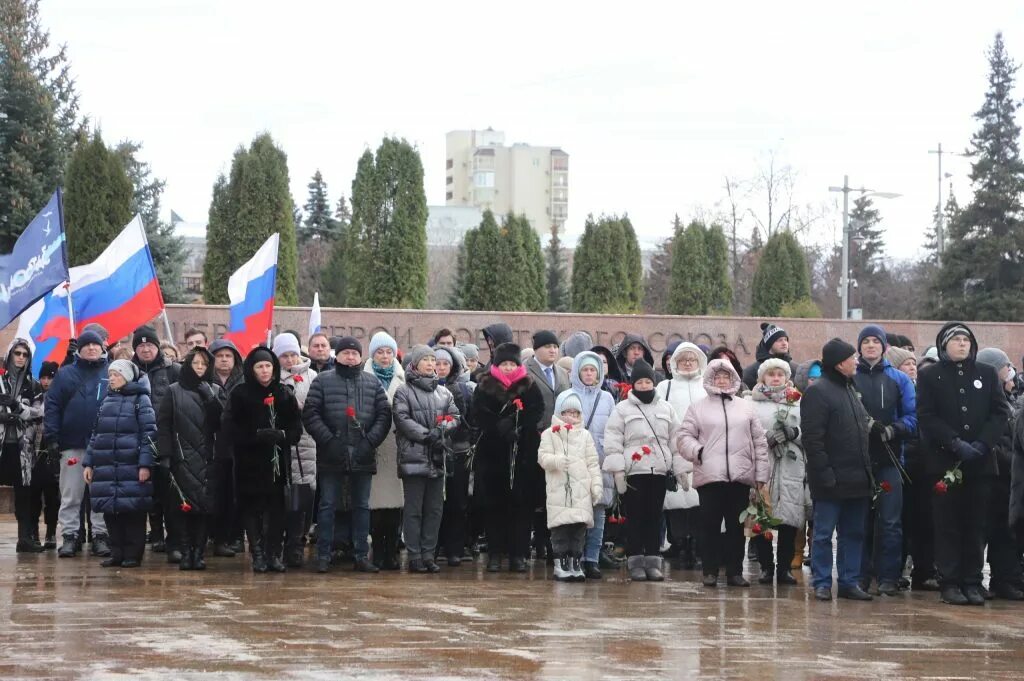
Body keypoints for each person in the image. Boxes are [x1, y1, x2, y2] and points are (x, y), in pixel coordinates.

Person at [918, 323, 1010, 606]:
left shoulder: (986, 374)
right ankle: (950, 582)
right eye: (956, 340)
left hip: (980, 463)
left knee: (976, 524)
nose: (962, 344)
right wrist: (954, 442)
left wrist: (983, 444)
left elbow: (1000, 412)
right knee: (948, 524)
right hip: (945, 462)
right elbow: (926, 415)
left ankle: (972, 581)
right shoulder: (930, 375)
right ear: (944, 345)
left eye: (966, 339)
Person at [303, 336, 392, 574]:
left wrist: (369, 442)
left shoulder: (372, 383)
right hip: (331, 454)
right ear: (338, 355)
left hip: (363, 455)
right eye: (346, 353)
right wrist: (329, 441)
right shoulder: (322, 381)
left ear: (361, 357)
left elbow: (384, 416)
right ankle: (323, 555)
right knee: (327, 504)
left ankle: (361, 555)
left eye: (354, 353)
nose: (350, 357)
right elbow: (311, 414)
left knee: (361, 506)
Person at [679, 359, 769, 587]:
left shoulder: (746, 407)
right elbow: (683, 437)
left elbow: (759, 442)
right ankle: (709, 571)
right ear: (710, 379)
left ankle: (734, 572)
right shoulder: (697, 408)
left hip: (740, 477)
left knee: (736, 527)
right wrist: (698, 452)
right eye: (717, 376)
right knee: (709, 526)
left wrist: (761, 475)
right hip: (710, 476)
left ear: (733, 379)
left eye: (725, 376)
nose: (721, 380)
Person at [801, 338, 874, 602]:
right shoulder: (818, 392)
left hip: (857, 478)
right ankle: (821, 582)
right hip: (830, 479)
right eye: (852, 357)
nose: (857, 361)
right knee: (822, 534)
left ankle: (848, 581)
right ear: (839, 362)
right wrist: (825, 475)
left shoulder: (850, 389)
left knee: (853, 533)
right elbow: (813, 439)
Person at [605, 359, 687, 582]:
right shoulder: (622, 409)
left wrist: (680, 469)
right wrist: (618, 472)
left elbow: (676, 439)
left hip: (659, 470)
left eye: (647, 381)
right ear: (633, 384)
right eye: (639, 382)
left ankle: (653, 560)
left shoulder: (666, 408)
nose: (643, 385)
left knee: (654, 517)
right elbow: (613, 440)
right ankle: (635, 561)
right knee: (635, 519)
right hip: (634, 471)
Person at [222, 347, 302, 573]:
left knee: (276, 510)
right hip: (249, 463)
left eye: (268, 366)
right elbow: (229, 428)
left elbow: (296, 428)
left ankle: (273, 553)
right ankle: (257, 553)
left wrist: (283, 435)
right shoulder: (240, 394)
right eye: (260, 366)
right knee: (252, 509)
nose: (265, 371)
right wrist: (254, 436)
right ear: (252, 369)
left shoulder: (284, 393)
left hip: (277, 464)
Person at [853, 325, 917, 597]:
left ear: (883, 347)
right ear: (859, 347)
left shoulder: (898, 379)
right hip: (858, 461)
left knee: (890, 521)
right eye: (865, 341)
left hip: (890, 459)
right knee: (860, 521)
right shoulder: (850, 378)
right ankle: (861, 575)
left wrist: (894, 429)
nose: (870, 346)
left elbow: (913, 417)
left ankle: (889, 576)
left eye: (874, 342)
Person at [473, 342, 545, 572]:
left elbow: (537, 410)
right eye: (503, 363)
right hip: (493, 455)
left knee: (521, 508)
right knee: (495, 507)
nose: (507, 368)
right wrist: (499, 427)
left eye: (512, 363)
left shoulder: (529, 385)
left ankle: (518, 555)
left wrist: (520, 426)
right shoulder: (484, 386)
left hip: (523, 454)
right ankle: (495, 554)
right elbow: (478, 414)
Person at [82, 359, 156, 568]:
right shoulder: (107, 400)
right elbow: (96, 435)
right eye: (110, 374)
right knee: (111, 512)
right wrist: (89, 463)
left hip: (131, 466)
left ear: (127, 376)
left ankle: (133, 554)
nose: (111, 378)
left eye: (116, 374)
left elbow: (149, 435)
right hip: (107, 466)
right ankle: (117, 552)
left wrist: (145, 465)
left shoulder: (141, 399)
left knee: (132, 511)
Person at [45, 329, 111, 558]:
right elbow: (52, 405)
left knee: (100, 493)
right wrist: (52, 438)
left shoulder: (111, 372)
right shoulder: (65, 375)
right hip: (72, 444)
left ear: (102, 347)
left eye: (95, 344)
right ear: (79, 349)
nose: (91, 348)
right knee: (71, 494)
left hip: (104, 445)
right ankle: (71, 536)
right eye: (86, 345)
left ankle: (100, 536)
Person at [394, 345, 459, 573]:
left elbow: (454, 416)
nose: (431, 364)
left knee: (434, 509)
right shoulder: (404, 391)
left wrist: (441, 430)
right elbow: (402, 418)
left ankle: (429, 554)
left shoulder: (444, 393)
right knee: (414, 509)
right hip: (414, 456)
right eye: (427, 360)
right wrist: (427, 435)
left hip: (437, 458)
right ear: (415, 364)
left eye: (434, 360)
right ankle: (414, 555)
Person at [158, 347, 223, 571]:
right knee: (182, 508)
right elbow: (164, 425)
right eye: (195, 363)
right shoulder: (174, 391)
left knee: (203, 508)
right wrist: (165, 455)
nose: (199, 368)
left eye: (204, 364)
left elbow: (223, 423)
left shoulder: (214, 389)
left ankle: (199, 552)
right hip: (181, 458)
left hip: (207, 458)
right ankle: (185, 551)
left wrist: (211, 399)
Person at [746, 359, 808, 585]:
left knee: (789, 521)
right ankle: (765, 567)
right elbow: (746, 432)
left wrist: (793, 433)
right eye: (771, 374)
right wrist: (766, 437)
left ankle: (784, 568)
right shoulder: (752, 403)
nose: (775, 378)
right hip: (765, 465)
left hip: (791, 466)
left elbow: (809, 431)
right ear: (762, 378)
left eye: (780, 374)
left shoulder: (798, 402)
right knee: (762, 518)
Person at [885, 345, 936, 592]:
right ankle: (893, 571)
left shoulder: (922, 390)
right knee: (900, 521)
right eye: (907, 364)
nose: (912, 367)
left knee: (923, 520)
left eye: (914, 363)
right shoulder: (894, 389)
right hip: (903, 461)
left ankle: (924, 570)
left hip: (925, 464)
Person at [974, 347, 1024, 600]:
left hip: (1008, 480)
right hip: (991, 476)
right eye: (1007, 367)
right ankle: (975, 580)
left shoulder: (1011, 399)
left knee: (1006, 533)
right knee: (981, 531)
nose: (1011, 373)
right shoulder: (986, 404)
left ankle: (1006, 579)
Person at [538, 392, 603, 582]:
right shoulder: (550, 433)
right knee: (561, 530)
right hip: (559, 491)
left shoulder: (585, 435)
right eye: (567, 412)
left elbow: (592, 463)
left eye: (575, 413)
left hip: (581, 491)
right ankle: (560, 563)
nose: (571, 417)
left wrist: (596, 486)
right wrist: (556, 461)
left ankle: (575, 562)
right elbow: (542, 457)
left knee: (578, 530)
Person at [564, 351, 616, 579]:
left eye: (592, 369)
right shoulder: (567, 395)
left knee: (598, 512)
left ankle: (592, 558)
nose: (588, 373)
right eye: (584, 369)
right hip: (573, 460)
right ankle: (574, 557)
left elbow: (613, 429)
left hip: (599, 460)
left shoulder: (607, 398)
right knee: (574, 512)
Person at [656, 341, 708, 567]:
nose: (688, 363)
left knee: (700, 501)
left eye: (692, 359)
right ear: (674, 363)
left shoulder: (707, 386)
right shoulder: (665, 387)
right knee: (674, 500)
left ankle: (697, 544)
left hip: (704, 451)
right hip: (674, 449)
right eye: (683, 360)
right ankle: (679, 543)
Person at [132, 325, 182, 561]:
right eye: (140, 346)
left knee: (169, 494)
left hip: (166, 441)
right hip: (136, 442)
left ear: (157, 346)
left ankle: (174, 542)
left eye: (149, 345)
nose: (145, 349)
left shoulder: (174, 370)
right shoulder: (127, 372)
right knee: (146, 495)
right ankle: (154, 537)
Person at [273, 332, 318, 569]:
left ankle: (296, 545)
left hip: (306, 446)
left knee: (302, 499)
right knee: (280, 499)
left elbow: (318, 407)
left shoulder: (312, 377)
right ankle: (277, 545)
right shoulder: (271, 377)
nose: (289, 360)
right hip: (280, 445)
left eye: (293, 354)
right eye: (284, 356)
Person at [365, 332, 406, 570]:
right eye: (380, 352)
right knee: (375, 504)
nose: (384, 356)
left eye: (388, 352)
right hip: (374, 445)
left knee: (395, 504)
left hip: (397, 446)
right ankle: (378, 551)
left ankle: (392, 550)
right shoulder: (365, 377)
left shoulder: (403, 377)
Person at [0, 339, 43, 552]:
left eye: (25, 354)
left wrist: (17, 407)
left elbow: (38, 412)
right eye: (17, 353)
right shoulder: (0, 381)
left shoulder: (33, 385)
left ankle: (24, 538)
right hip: (1, 444)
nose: (20, 357)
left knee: (24, 493)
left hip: (21, 447)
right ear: (10, 355)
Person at [436, 346, 476, 566]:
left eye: (445, 364)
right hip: (434, 450)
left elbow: (472, 419)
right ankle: (438, 545)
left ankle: (456, 547)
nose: (441, 368)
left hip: (459, 451)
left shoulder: (463, 389)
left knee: (458, 502)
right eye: (437, 363)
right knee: (436, 502)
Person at [207, 338, 245, 557]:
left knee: (236, 493)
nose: (223, 359)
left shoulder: (243, 382)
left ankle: (236, 535)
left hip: (237, 446)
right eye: (219, 356)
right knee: (216, 493)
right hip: (211, 446)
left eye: (228, 355)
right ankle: (216, 535)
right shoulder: (204, 382)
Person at [27, 361, 60, 550]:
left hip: (53, 450)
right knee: (33, 494)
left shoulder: (59, 398)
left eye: (50, 377)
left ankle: (51, 532)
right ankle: (33, 531)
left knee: (52, 496)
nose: (46, 381)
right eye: (44, 377)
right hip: (35, 451)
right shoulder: (35, 395)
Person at [743, 323, 796, 390]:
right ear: (769, 344)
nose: (784, 343)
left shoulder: (795, 369)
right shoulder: (751, 372)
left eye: (785, 340)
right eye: (779, 340)